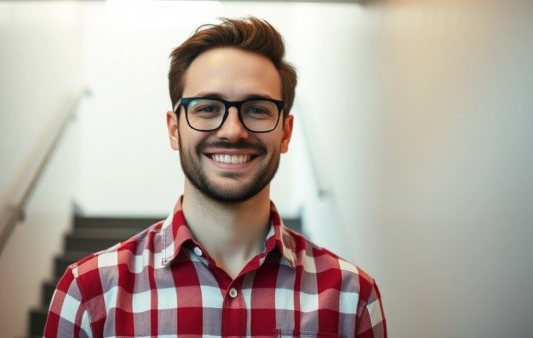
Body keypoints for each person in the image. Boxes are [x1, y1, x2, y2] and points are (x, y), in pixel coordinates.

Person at [44, 17, 386, 338]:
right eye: (207, 108)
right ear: (174, 130)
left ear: (285, 133)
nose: (233, 131)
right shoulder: (89, 294)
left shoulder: (350, 297)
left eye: (257, 109)